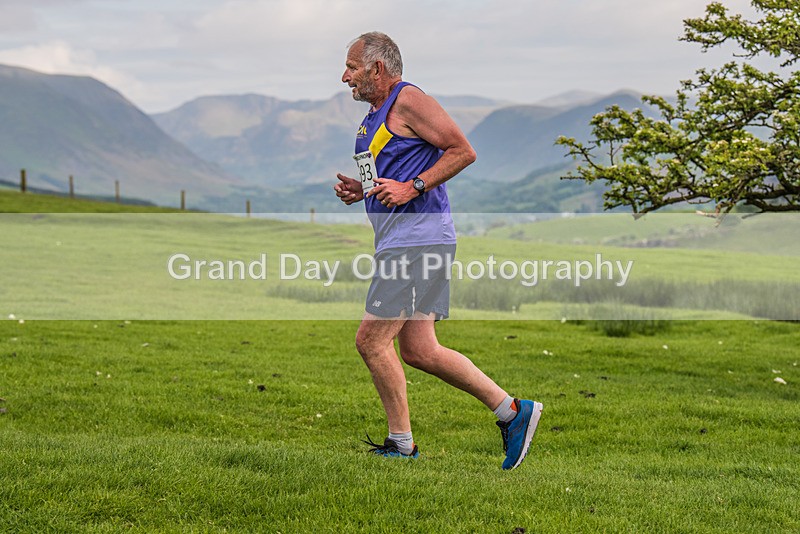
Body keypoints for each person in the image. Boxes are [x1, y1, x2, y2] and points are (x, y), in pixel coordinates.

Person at [334, 31, 542, 470]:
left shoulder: (408, 100)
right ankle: (512, 412)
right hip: (406, 239)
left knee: (371, 342)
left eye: (352, 67)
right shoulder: (374, 116)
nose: (344, 76)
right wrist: (364, 189)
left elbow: (462, 151)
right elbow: (395, 171)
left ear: (377, 68)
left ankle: (402, 444)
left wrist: (413, 188)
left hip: (417, 239)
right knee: (419, 350)